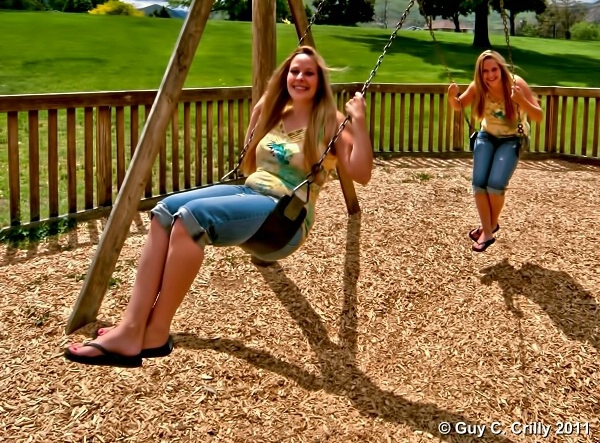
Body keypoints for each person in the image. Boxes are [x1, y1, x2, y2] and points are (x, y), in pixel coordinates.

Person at [65, 45, 373, 367]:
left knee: (191, 219)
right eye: (294, 71)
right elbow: (249, 158)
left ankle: (154, 332)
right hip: (251, 194)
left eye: (309, 73)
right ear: (285, 76)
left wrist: (360, 123)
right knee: (165, 211)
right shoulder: (277, 113)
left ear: (320, 81)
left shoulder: (331, 122)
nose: (300, 77)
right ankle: (132, 325)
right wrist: (261, 109)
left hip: (284, 217)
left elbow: (361, 174)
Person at [447, 50, 543, 253]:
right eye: (485, 71)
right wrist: (451, 97)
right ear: (479, 74)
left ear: (501, 68)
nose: (490, 75)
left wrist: (521, 100)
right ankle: (488, 232)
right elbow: (458, 106)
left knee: (495, 185)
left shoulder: (516, 84)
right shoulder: (478, 87)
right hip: (487, 136)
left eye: (494, 69)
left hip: (512, 139)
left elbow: (538, 115)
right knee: (479, 184)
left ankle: (488, 227)